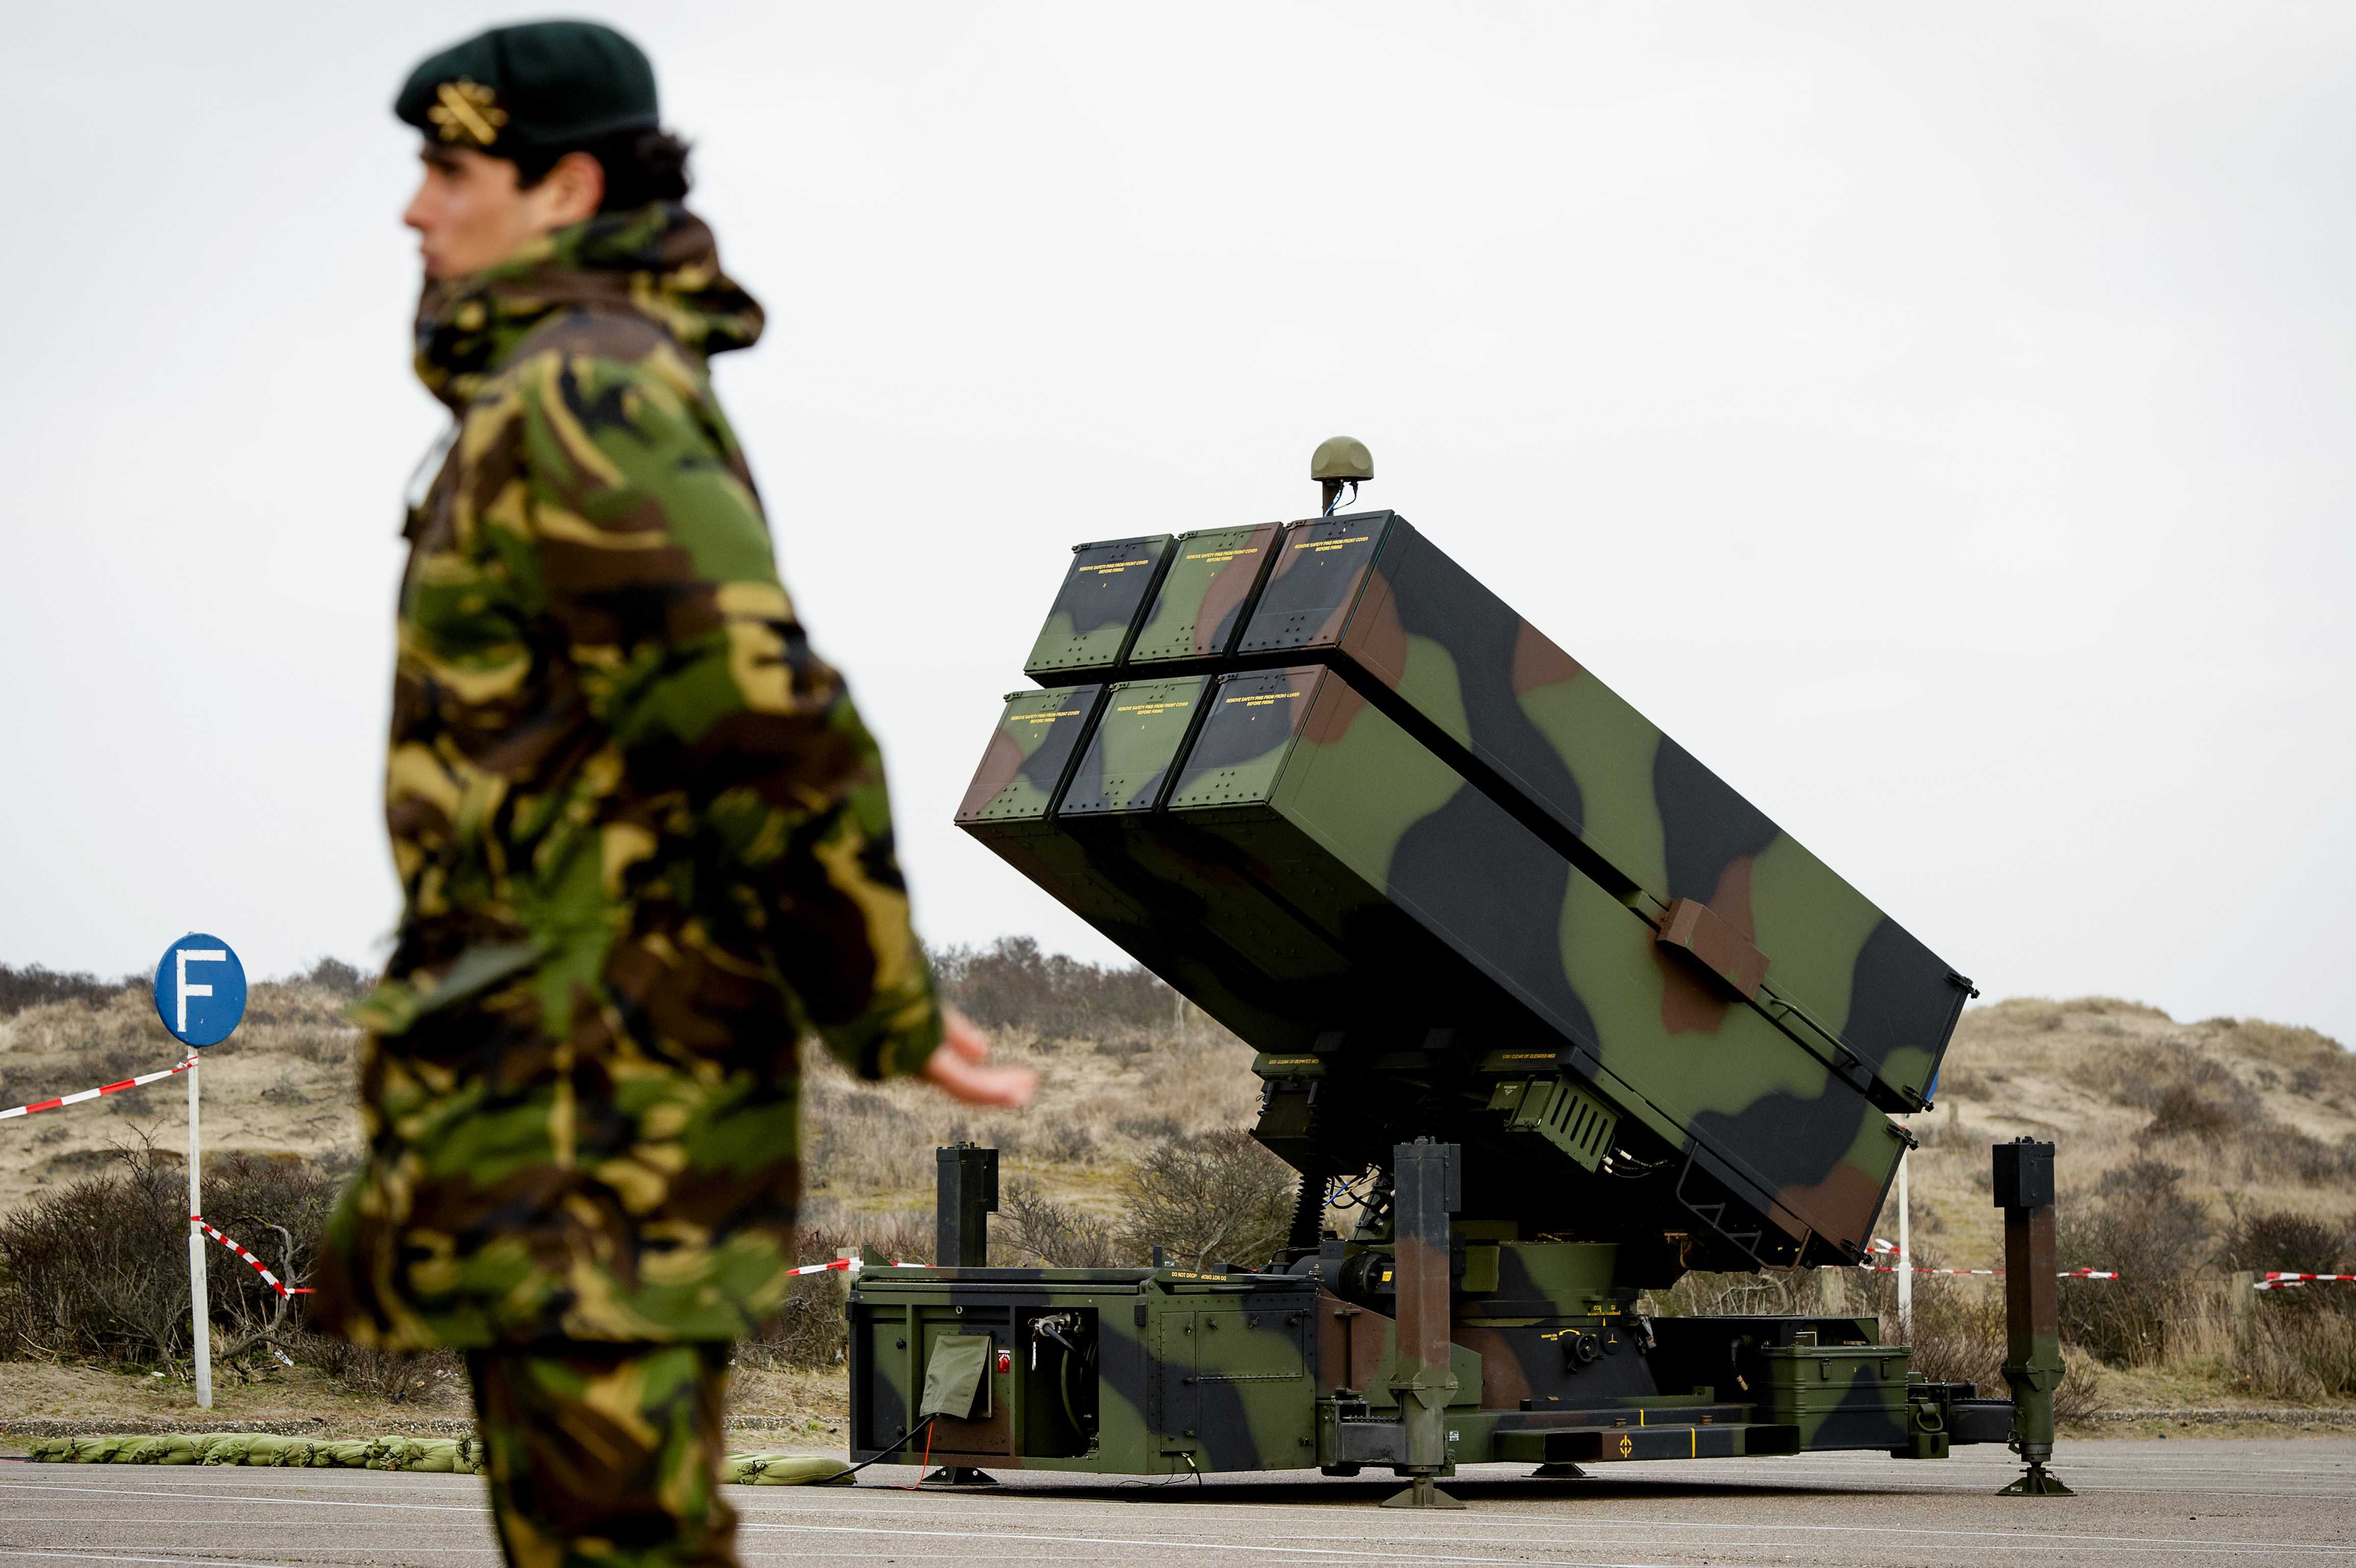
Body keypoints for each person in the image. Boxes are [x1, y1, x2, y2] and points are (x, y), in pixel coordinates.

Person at [311, 21, 1036, 1568]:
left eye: (451, 170)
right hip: (551, 1097)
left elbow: (767, 721)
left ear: (566, 188)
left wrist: (881, 1002)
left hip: (601, 1116)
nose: (416, 209)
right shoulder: (550, 390)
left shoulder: (584, 395)